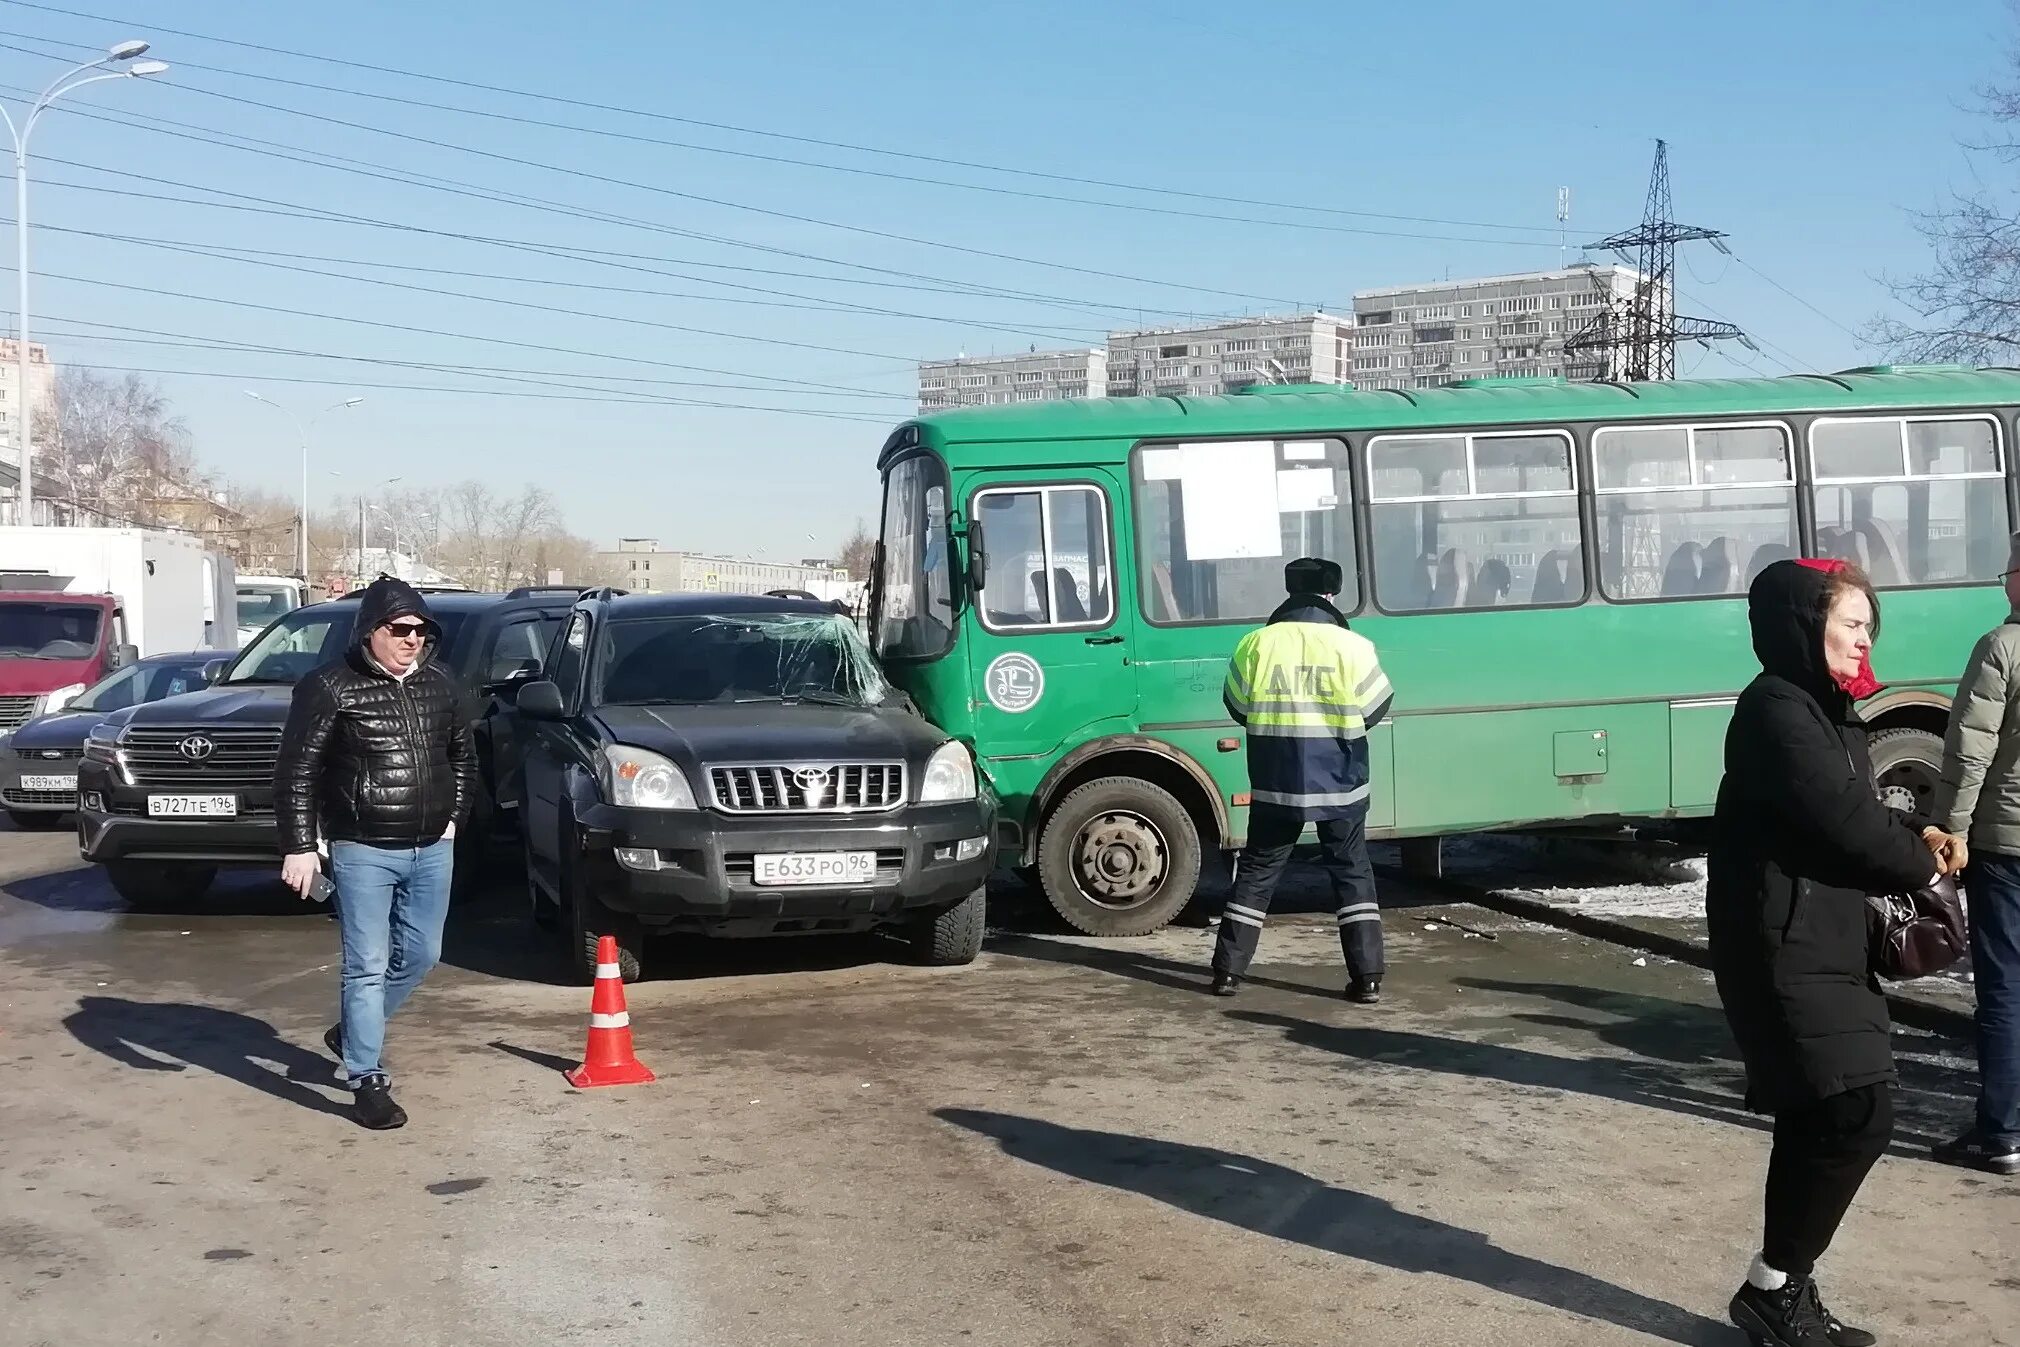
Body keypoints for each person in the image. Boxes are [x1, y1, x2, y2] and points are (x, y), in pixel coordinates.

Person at [1707, 558, 1965, 1347]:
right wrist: (1922, 868)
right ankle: (1775, 1285)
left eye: (1867, 627)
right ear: (1803, 625)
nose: (1865, 641)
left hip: (1824, 935)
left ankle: (1781, 1290)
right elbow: (1836, 819)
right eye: (1851, 624)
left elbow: (1852, 808)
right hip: (1781, 942)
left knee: (1824, 1111)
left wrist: (1911, 830)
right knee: (1855, 1108)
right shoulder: (1775, 708)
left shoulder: (1825, 709)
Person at [274, 576, 472, 1130]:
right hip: (362, 848)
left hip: (433, 847)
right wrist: (299, 846)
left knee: (424, 954)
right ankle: (366, 1078)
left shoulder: (440, 684)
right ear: (370, 631)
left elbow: (464, 758)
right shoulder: (328, 687)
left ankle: (350, 1033)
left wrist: (454, 818)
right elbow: (297, 772)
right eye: (401, 630)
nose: (413, 640)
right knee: (366, 966)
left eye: (422, 631)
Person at [1212, 557, 1393, 1002]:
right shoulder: (1353, 646)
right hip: (1341, 780)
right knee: (1351, 872)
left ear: (1290, 591)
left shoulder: (1255, 644)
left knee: (1258, 871)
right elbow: (1376, 707)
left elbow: (1236, 704)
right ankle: (1367, 978)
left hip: (1277, 781)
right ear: (1332, 594)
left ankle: (1227, 974)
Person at [1928, 533, 2020, 1176]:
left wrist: (1948, 830)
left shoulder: (2002, 648)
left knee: (2006, 987)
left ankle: (2003, 1132)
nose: (2003, 580)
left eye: (2009, 568)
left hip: (2006, 845)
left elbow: (1969, 750)